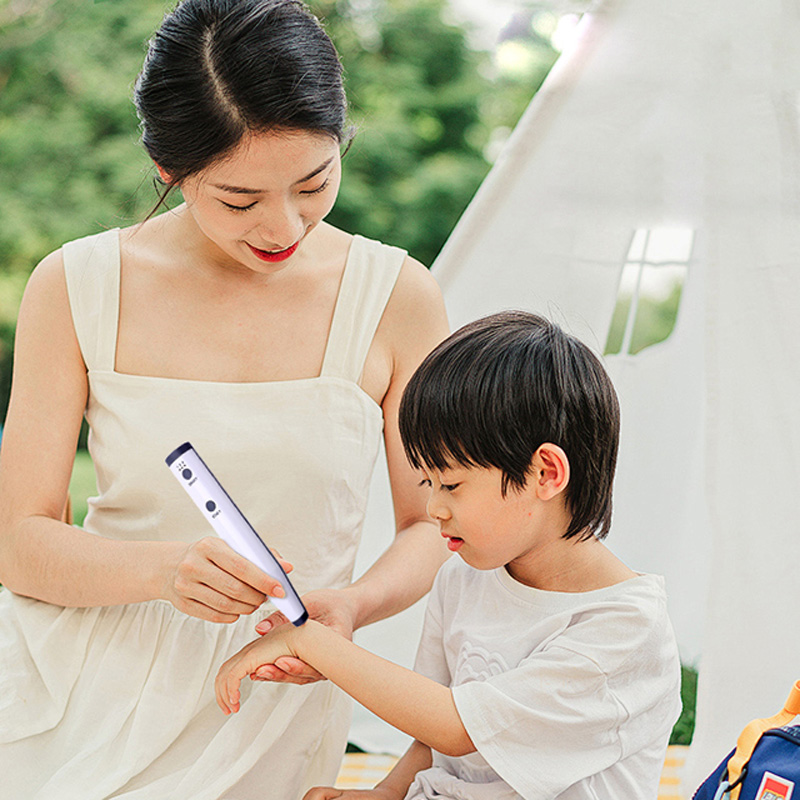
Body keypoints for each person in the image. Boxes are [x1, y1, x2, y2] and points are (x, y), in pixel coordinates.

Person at [0, 1, 449, 797]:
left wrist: (350, 607)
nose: (285, 226)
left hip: (274, 695)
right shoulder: (76, 285)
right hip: (77, 695)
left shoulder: (397, 297)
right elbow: (17, 543)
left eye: (314, 183)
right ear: (168, 168)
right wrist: (163, 571)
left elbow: (431, 523)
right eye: (240, 200)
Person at [215, 311, 683, 800]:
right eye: (428, 482)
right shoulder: (462, 580)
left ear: (546, 473)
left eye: (452, 484)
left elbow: (457, 727)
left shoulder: (625, 628)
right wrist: (386, 794)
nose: (433, 508)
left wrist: (309, 642)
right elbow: (432, 738)